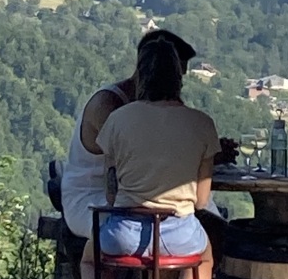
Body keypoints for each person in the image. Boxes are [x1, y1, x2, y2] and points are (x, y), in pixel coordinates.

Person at [91, 36, 219, 279]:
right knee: (204, 258)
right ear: (178, 77)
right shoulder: (201, 123)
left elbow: (110, 189)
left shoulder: (119, 120)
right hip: (178, 235)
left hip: (126, 236)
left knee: (89, 260)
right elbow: (202, 200)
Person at [59, 28, 198, 244]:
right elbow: (140, 160)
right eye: (175, 74)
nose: (178, 84)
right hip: (91, 199)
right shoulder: (107, 105)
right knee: (178, 225)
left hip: (136, 195)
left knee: (207, 222)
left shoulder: (156, 106)